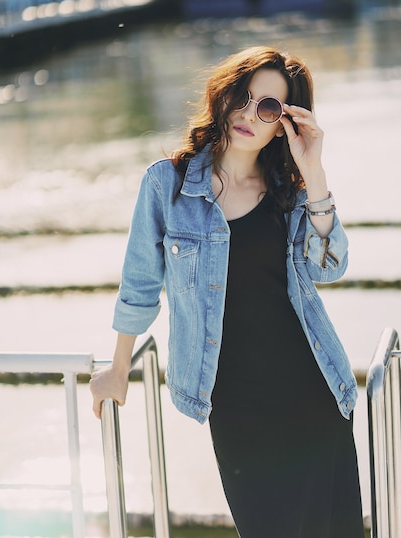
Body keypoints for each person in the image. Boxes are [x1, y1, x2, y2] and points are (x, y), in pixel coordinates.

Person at [90, 46, 364, 538]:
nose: (247, 114)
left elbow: (330, 267)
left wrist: (315, 173)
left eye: (267, 108)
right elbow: (140, 283)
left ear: (283, 122)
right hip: (237, 407)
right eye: (243, 96)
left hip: (313, 396)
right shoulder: (167, 185)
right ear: (223, 95)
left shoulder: (291, 190)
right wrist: (117, 367)